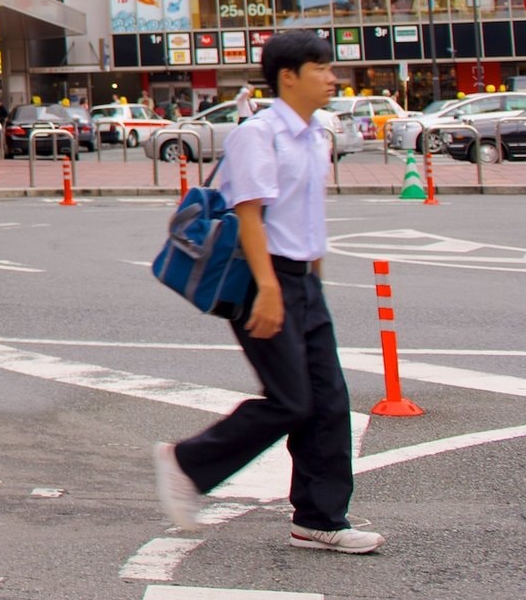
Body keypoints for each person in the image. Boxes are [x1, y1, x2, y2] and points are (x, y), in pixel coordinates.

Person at [153, 31, 380, 556]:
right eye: (320, 68)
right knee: (290, 400)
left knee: (329, 400)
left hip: (302, 278)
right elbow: (250, 215)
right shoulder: (257, 134)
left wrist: (313, 280)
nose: (332, 78)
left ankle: (319, 518)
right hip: (261, 278)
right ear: (288, 77)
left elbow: (309, 213)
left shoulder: (317, 132)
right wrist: (271, 291)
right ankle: (185, 463)